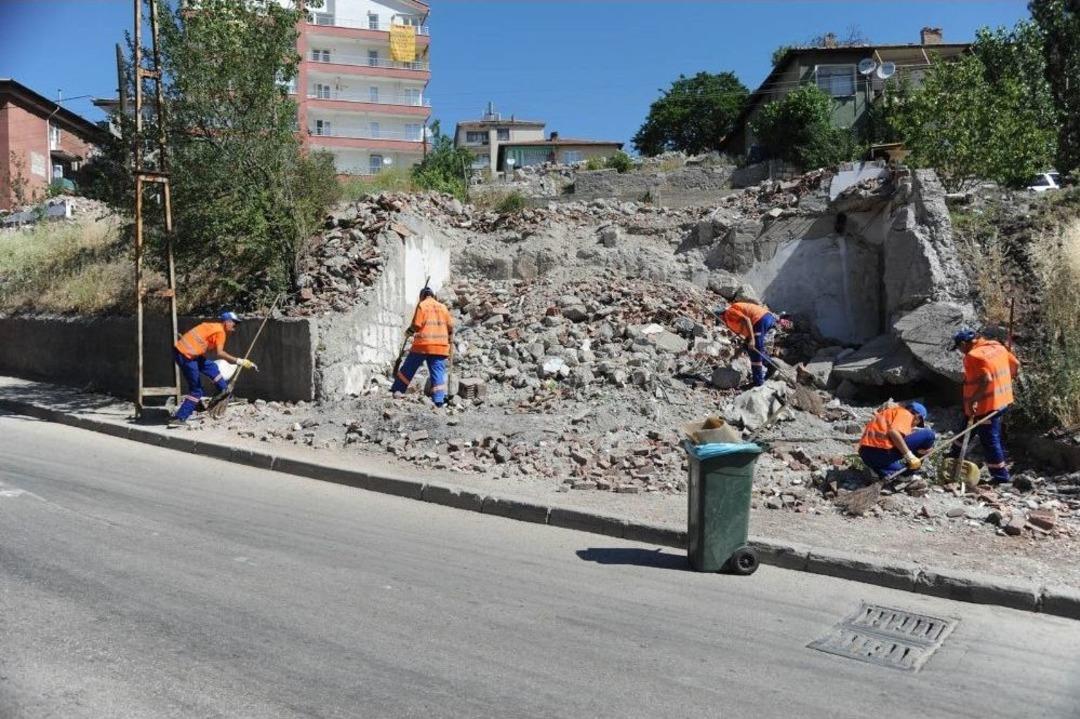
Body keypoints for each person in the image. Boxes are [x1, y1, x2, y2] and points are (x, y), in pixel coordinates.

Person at [950, 328, 1020, 483]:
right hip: (1002, 400)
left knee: (989, 439)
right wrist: (1008, 378)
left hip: (985, 406)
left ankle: (1000, 476)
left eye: (959, 348)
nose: (960, 352)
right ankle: (953, 456)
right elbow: (1015, 364)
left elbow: (986, 379)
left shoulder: (973, 356)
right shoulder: (997, 347)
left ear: (963, 344)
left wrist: (974, 399)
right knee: (966, 428)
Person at [169, 311, 255, 427]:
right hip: (187, 356)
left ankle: (224, 390)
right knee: (197, 391)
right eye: (234, 323)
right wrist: (239, 361)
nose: (235, 327)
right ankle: (180, 418)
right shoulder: (221, 332)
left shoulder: (212, 326)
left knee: (211, 366)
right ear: (226, 322)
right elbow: (220, 353)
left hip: (188, 353)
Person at [391, 287, 454, 407]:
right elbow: (451, 326)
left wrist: (408, 332)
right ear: (433, 296)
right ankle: (439, 400)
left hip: (423, 345)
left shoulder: (422, 305)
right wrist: (449, 340)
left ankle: (397, 390)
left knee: (408, 368)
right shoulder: (443, 307)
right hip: (440, 346)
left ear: (421, 296)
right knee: (438, 373)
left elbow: (416, 325)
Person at [715, 301, 792, 386]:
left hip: (760, 319)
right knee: (751, 347)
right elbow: (746, 340)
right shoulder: (729, 320)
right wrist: (736, 355)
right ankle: (770, 365)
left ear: (720, 315)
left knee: (755, 350)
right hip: (762, 320)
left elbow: (747, 319)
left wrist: (752, 340)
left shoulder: (729, 312)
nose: (722, 323)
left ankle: (758, 382)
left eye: (720, 320)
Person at [858, 401, 936, 478]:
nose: (915, 425)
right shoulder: (906, 414)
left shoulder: (889, 413)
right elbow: (893, 432)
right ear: (917, 416)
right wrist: (910, 456)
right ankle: (915, 466)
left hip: (867, 455)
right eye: (918, 423)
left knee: (904, 472)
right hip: (882, 452)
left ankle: (879, 472)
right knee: (929, 434)